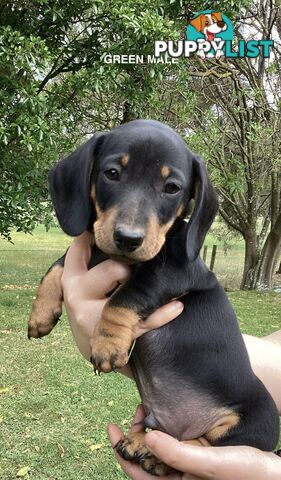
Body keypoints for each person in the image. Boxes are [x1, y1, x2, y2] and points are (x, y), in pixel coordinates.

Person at [61, 232, 281, 479]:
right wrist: (97, 327)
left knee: (258, 418)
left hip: (234, 421)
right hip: (218, 402)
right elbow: (269, 359)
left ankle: (192, 445)